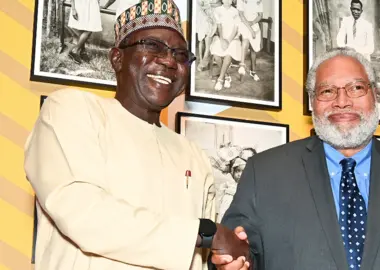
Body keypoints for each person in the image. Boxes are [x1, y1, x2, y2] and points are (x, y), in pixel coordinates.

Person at [25, 0, 250, 269]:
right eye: (153, 46)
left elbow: (197, 258)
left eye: (180, 55)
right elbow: (81, 212)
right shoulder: (72, 111)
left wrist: (224, 260)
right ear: (117, 58)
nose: (169, 60)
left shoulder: (194, 155)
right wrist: (205, 233)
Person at [212, 47, 380, 269]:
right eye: (327, 91)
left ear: (375, 95)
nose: (342, 101)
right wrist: (233, 262)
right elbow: (235, 254)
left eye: (356, 88)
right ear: (312, 101)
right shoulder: (264, 174)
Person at [209, 0, 242, 91]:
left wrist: (228, 41)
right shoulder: (217, 10)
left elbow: (236, 28)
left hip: (233, 38)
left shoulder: (235, 11)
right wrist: (222, 39)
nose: (227, 1)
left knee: (229, 53)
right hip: (221, 37)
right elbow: (219, 26)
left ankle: (220, 79)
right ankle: (226, 76)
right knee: (216, 53)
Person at [237, 0, 263, 82]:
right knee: (245, 40)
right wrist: (251, 29)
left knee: (253, 50)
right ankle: (242, 66)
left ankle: (253, 71)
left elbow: (260, 15)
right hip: (244, 24)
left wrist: (253, 22)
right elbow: (241, 15)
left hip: (254, 25)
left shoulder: (258, 1)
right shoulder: (240, 1)